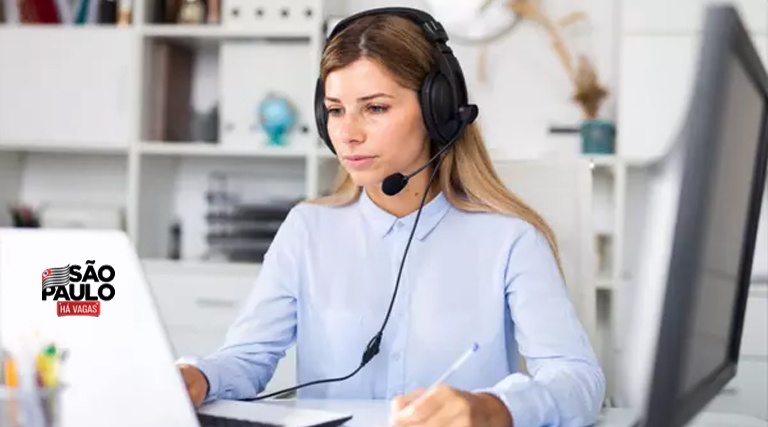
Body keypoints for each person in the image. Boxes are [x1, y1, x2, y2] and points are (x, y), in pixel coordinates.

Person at [178, 7, 605, 427]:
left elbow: (578, 379)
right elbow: (247, 358)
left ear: (438, 111)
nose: (348, 133)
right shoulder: (307, 230)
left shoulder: (510, 240)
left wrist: (494, 409)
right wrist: (198, 377)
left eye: (375, 108)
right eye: (336, 109)